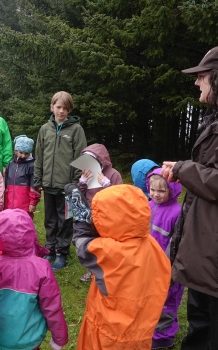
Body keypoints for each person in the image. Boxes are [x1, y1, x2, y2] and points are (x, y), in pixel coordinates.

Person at [161, 42, 218, 348]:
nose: (197, 81)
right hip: (211, 256)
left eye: (203, 75)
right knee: (200, 331)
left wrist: (185, 170)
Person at [65, 183, 171, 349]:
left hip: (107, 335)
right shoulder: (151, 245)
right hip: (140, 332)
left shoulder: (111, 252)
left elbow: (82, 245)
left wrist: (81, 221)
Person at [0, 209, 68, 350]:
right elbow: (52, 305)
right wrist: (59, 338)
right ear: (31, 232)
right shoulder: (42, 267)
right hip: (29, 339)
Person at [34, 91, 87, 271]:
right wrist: (38, 179)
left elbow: (81, 156)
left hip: (67, 185)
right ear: (52, 107)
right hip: (48, 184)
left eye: (65, 108)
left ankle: (62, 252)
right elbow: (39, 155)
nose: (61, 111)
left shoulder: (76, 130)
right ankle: (49, 249)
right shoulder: (44, 129)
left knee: (65, 219)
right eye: (58, 107)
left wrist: (74, 183)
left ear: (69, 110)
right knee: (50, 219)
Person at [146, 169, 184, 349]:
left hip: (168, 268)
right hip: (149, 265)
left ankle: (163, 339)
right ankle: (151, 330)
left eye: (161, 191)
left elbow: (177, 244)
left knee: (167, 302)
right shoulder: (150, 205)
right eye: (152, 190)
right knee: (151, 300)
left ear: (173, 190)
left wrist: (167, 269)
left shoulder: (178, 212)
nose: (156, 194)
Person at [77, 143, 123, 282]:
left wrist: (107, 184)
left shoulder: (113, 174)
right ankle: (92, 270)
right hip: (92, 215)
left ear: (100, 160)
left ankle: (109, 269)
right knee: (93, 244)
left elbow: (121, 197)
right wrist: (82, 182)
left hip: (108, 216)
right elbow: (81, 195)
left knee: (107, 244)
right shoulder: (88, 173)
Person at [4, 135, 41, 219]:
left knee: (23, 225)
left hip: (24, 205)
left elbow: (34, 186)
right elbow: (6, 185)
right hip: (10, 203)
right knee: (10, 223)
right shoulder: (10, 164)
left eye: (26, 153)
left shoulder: (32, 165)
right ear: (16, 151)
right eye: (21, 153)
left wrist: (33, 202)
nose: (23, 156)